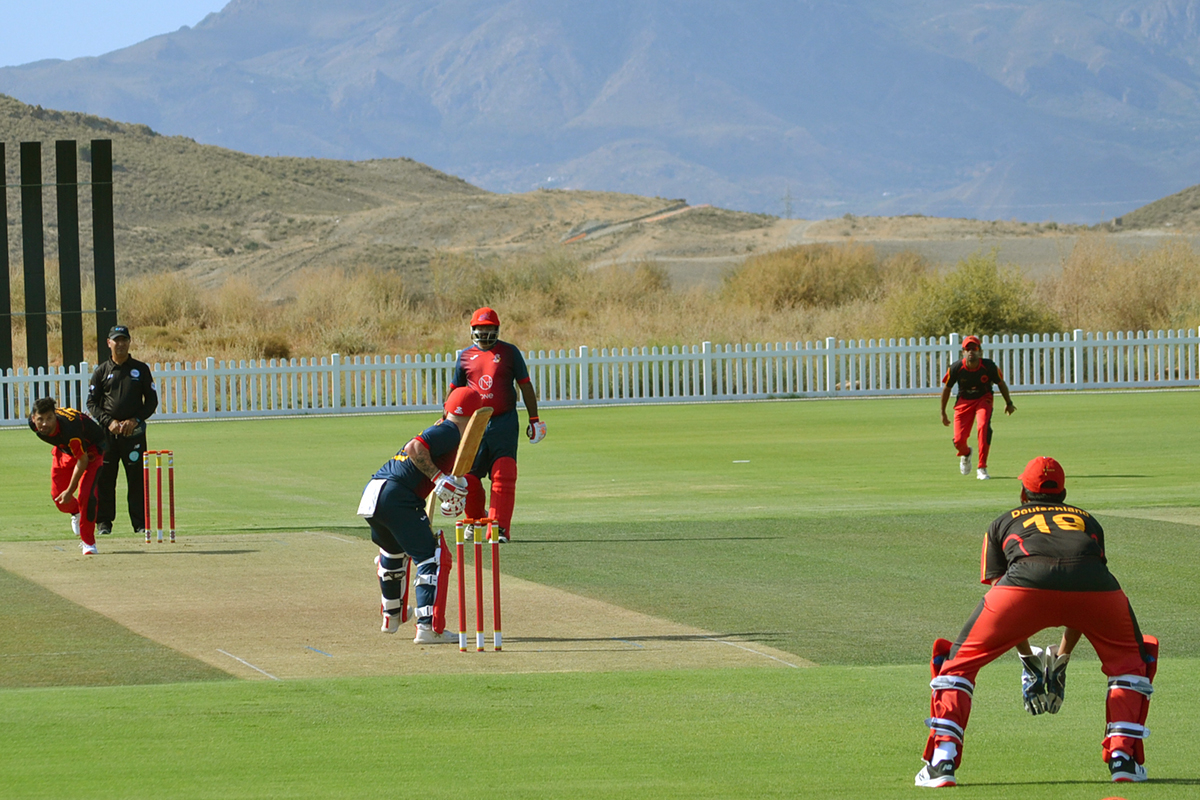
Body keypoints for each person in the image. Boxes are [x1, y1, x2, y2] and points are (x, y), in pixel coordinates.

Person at [916, 456, 1157, 788]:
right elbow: (1081, 584)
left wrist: (1028, 658)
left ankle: (942, 762)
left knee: (957, 666)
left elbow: (1004, 595)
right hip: (1096, 590)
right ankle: (1123, 759)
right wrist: (1062, 656)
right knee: (1131, 664)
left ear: (1022, 494)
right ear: (1064, 493)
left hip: (1023, 586)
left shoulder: (1002, 521)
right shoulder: (1087, 520)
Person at [357, 387, 483, 644]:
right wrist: (438, 479)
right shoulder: (450, 431)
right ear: (475, 418)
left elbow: (446, 476)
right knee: (431, 556)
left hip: (374, 494)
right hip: (397, 496)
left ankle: (392, 615)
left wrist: (449, 488)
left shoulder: (445, 431)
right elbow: (414, 448)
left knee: (393, 553)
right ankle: (428, 627)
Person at [447, 306, 544, 543]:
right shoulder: (465, 356)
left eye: (489, 328)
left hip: (504, 422)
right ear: (472, 329)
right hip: (474, 423)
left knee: (503, 475)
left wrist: (534, 419)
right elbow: (455, 392)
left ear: (497, 329)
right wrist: (447, 422)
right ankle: (476, 521)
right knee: (467, 477)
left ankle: (499, 529)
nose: (485, 332)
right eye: (480, 328)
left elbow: (525, 385)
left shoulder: (509, 352)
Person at [87, 325, 158, 536]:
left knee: (137, 479)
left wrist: (135, 420)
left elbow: (151, 401)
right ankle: (104, 523)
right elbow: (92, 403)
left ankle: (140, 523)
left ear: (129, 342)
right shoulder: (101, 371)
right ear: (108, 343)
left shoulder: (140, 369)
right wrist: (109, 422)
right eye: (116, 340)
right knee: (105, 479)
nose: (120, 344)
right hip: (107, 435)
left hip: (133, 434)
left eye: (124, 340)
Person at [28, 396, 108, 555]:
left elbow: (83, 460)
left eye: (49, 418)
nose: (44, 424)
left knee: (86, 495)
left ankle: (88, 543)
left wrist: (70, 490)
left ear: (55, 416)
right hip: (65, 449)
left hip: (91, 450)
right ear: (33, 418)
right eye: (40, 419)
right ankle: (76, 512)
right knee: (58, 497)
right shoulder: (32, 425)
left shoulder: (69, 430)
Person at [940, 335, 1015, 480]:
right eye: (967, 349)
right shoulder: (956, 368)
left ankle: (982, 467)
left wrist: (1009, 403)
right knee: (958, 440)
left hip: (983, 399)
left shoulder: (989, 366)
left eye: (974, 348)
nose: (971, 352)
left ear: (980, 351)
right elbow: (947, 388)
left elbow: (1001, 383)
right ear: (963, 352)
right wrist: (943, 412)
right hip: (964, 401)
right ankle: (966, 453)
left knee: (983, 426)